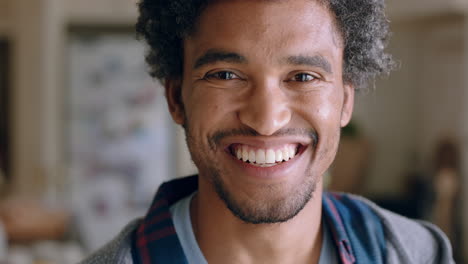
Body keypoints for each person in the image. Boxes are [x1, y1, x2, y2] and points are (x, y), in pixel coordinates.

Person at [81, 0, 454, 263]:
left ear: (344, 102)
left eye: (303, 76)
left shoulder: (417, 253)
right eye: (226, 75)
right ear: (177, 98)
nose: (266, 120)